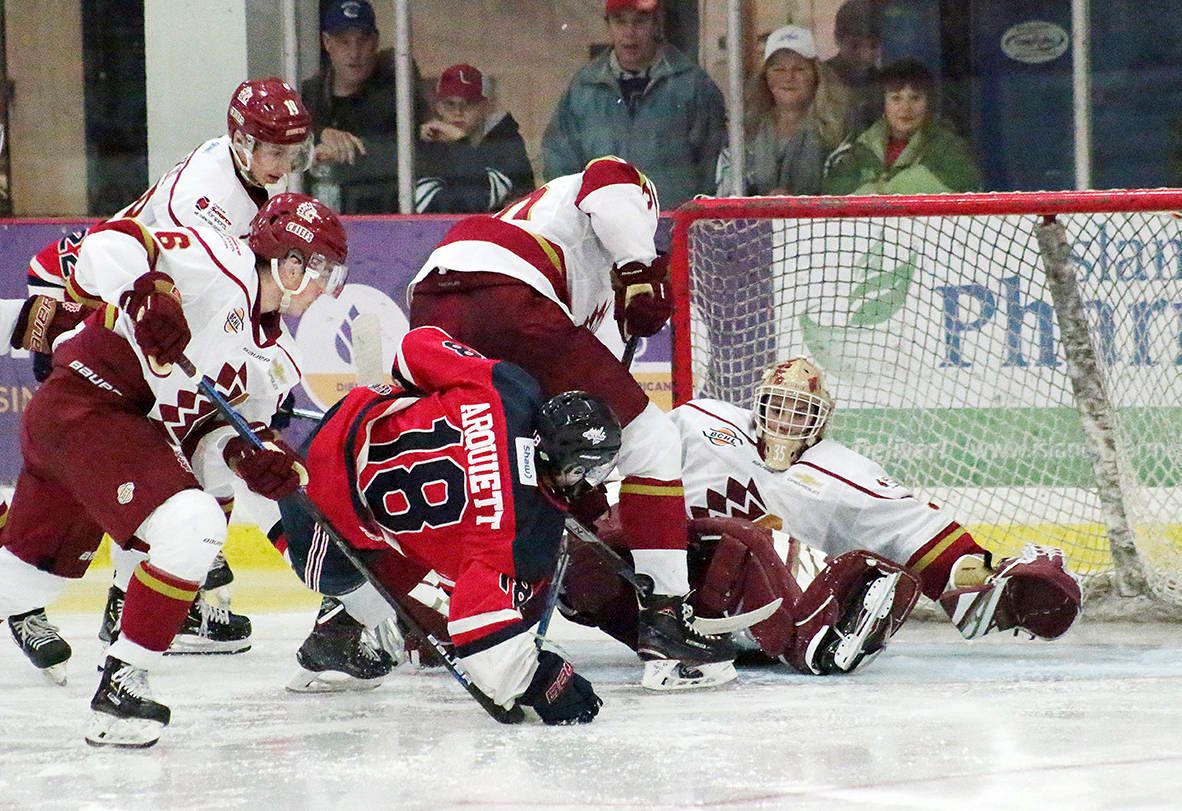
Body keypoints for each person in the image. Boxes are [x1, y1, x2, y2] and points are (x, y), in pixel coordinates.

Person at [0, 192, 348, 747]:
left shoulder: (280, 358)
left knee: (22, 582)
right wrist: (147, 290)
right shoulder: (217, 260)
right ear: (289, 261)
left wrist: (251, 457)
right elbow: (113, 240)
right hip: (89, 402)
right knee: (195, 525)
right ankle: (121, 688)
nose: (324, 286)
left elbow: (213, 434)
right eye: (322, 269)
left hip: (101, 434)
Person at [12, 77, 318, 657]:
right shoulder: (209, 198)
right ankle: (45, 597)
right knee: (99, 462)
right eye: (273, 152)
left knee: (157, 459)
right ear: (241, 141)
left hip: (125, 301)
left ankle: (122, 598)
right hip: (76, 301)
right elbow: (131, 256)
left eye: (291, 153)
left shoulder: (240, 172)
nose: (283, 166)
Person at [408, 155, 736, 689]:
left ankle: (393, 618)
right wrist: (638, 269)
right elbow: (608, 179)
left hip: (430, 302)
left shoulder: (578, 288)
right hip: (510, 292)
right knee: (653, 441)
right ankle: (668, 626)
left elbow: (582, 432)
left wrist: (586, 498)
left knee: (489, 465)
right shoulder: (598, 204)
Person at [278, 326, 613, 722]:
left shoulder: (511, 389)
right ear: (572, 470)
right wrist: (541, 681)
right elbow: (476, 628)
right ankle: (341, 624)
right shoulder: (525, 538)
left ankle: (338, 623)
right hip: (324, 530)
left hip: (344, 423)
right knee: (449, 557)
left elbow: (414, 346)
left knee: (446, 544)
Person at [664, 357, 1083, 642]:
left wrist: (987, 574)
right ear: (759, 405)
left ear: (819, 420)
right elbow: (638, 455)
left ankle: (829, 635)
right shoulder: (701, 422)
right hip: (670, 587)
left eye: (799, 412)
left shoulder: (842, 473)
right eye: (778, 407)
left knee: (756, 545)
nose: (785, 421)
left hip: (752, 608)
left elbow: (922, 535)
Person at [541, 0, 726, 209]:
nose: (630, 32)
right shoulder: (583, 89)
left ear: (657, 24)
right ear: (608, 25)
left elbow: (714, 166)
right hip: (602, 232)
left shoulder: (692, 85)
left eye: (640, 21)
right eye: (620, 22)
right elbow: (559, 165)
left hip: (672, 230)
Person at [302, 0, 428, 213]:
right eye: (344, 41)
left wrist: (347, 152)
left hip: (384, 216)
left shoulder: (397, 89)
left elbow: (410, 150)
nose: (354, 52)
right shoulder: (309, 94)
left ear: (375, 41)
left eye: (362, 40)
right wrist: (318, 135)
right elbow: (282, 147)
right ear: (327, 42)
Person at [823, 58, 983, 195]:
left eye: (915, 98)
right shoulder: (860, 148)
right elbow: (834, 194)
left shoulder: (950, 147)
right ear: (883, 104)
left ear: (929, 103)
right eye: (896, 98)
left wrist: (882, 190)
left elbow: (966, 186)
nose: (905, 108)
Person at [716, 25, 831, 197]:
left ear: (816, 75)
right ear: (765, 76)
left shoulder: (835, 130)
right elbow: (725, 194)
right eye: (778, 69)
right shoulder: (744, 131)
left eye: (799, 69)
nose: (788, 77)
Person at [414, 63, 535, 214]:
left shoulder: (507, 143)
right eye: (450, 104)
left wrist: (460, 141)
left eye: (469, 104)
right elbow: (427, 207)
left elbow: (482, 198)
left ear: (485, 107)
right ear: (438, 107)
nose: (458, 112)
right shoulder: (429, 146)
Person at [817, 0, 885, 146]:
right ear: (837, 39)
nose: (865, 55)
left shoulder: (885, 83)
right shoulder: (820, 79)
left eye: (873, 46)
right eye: (855, 46)